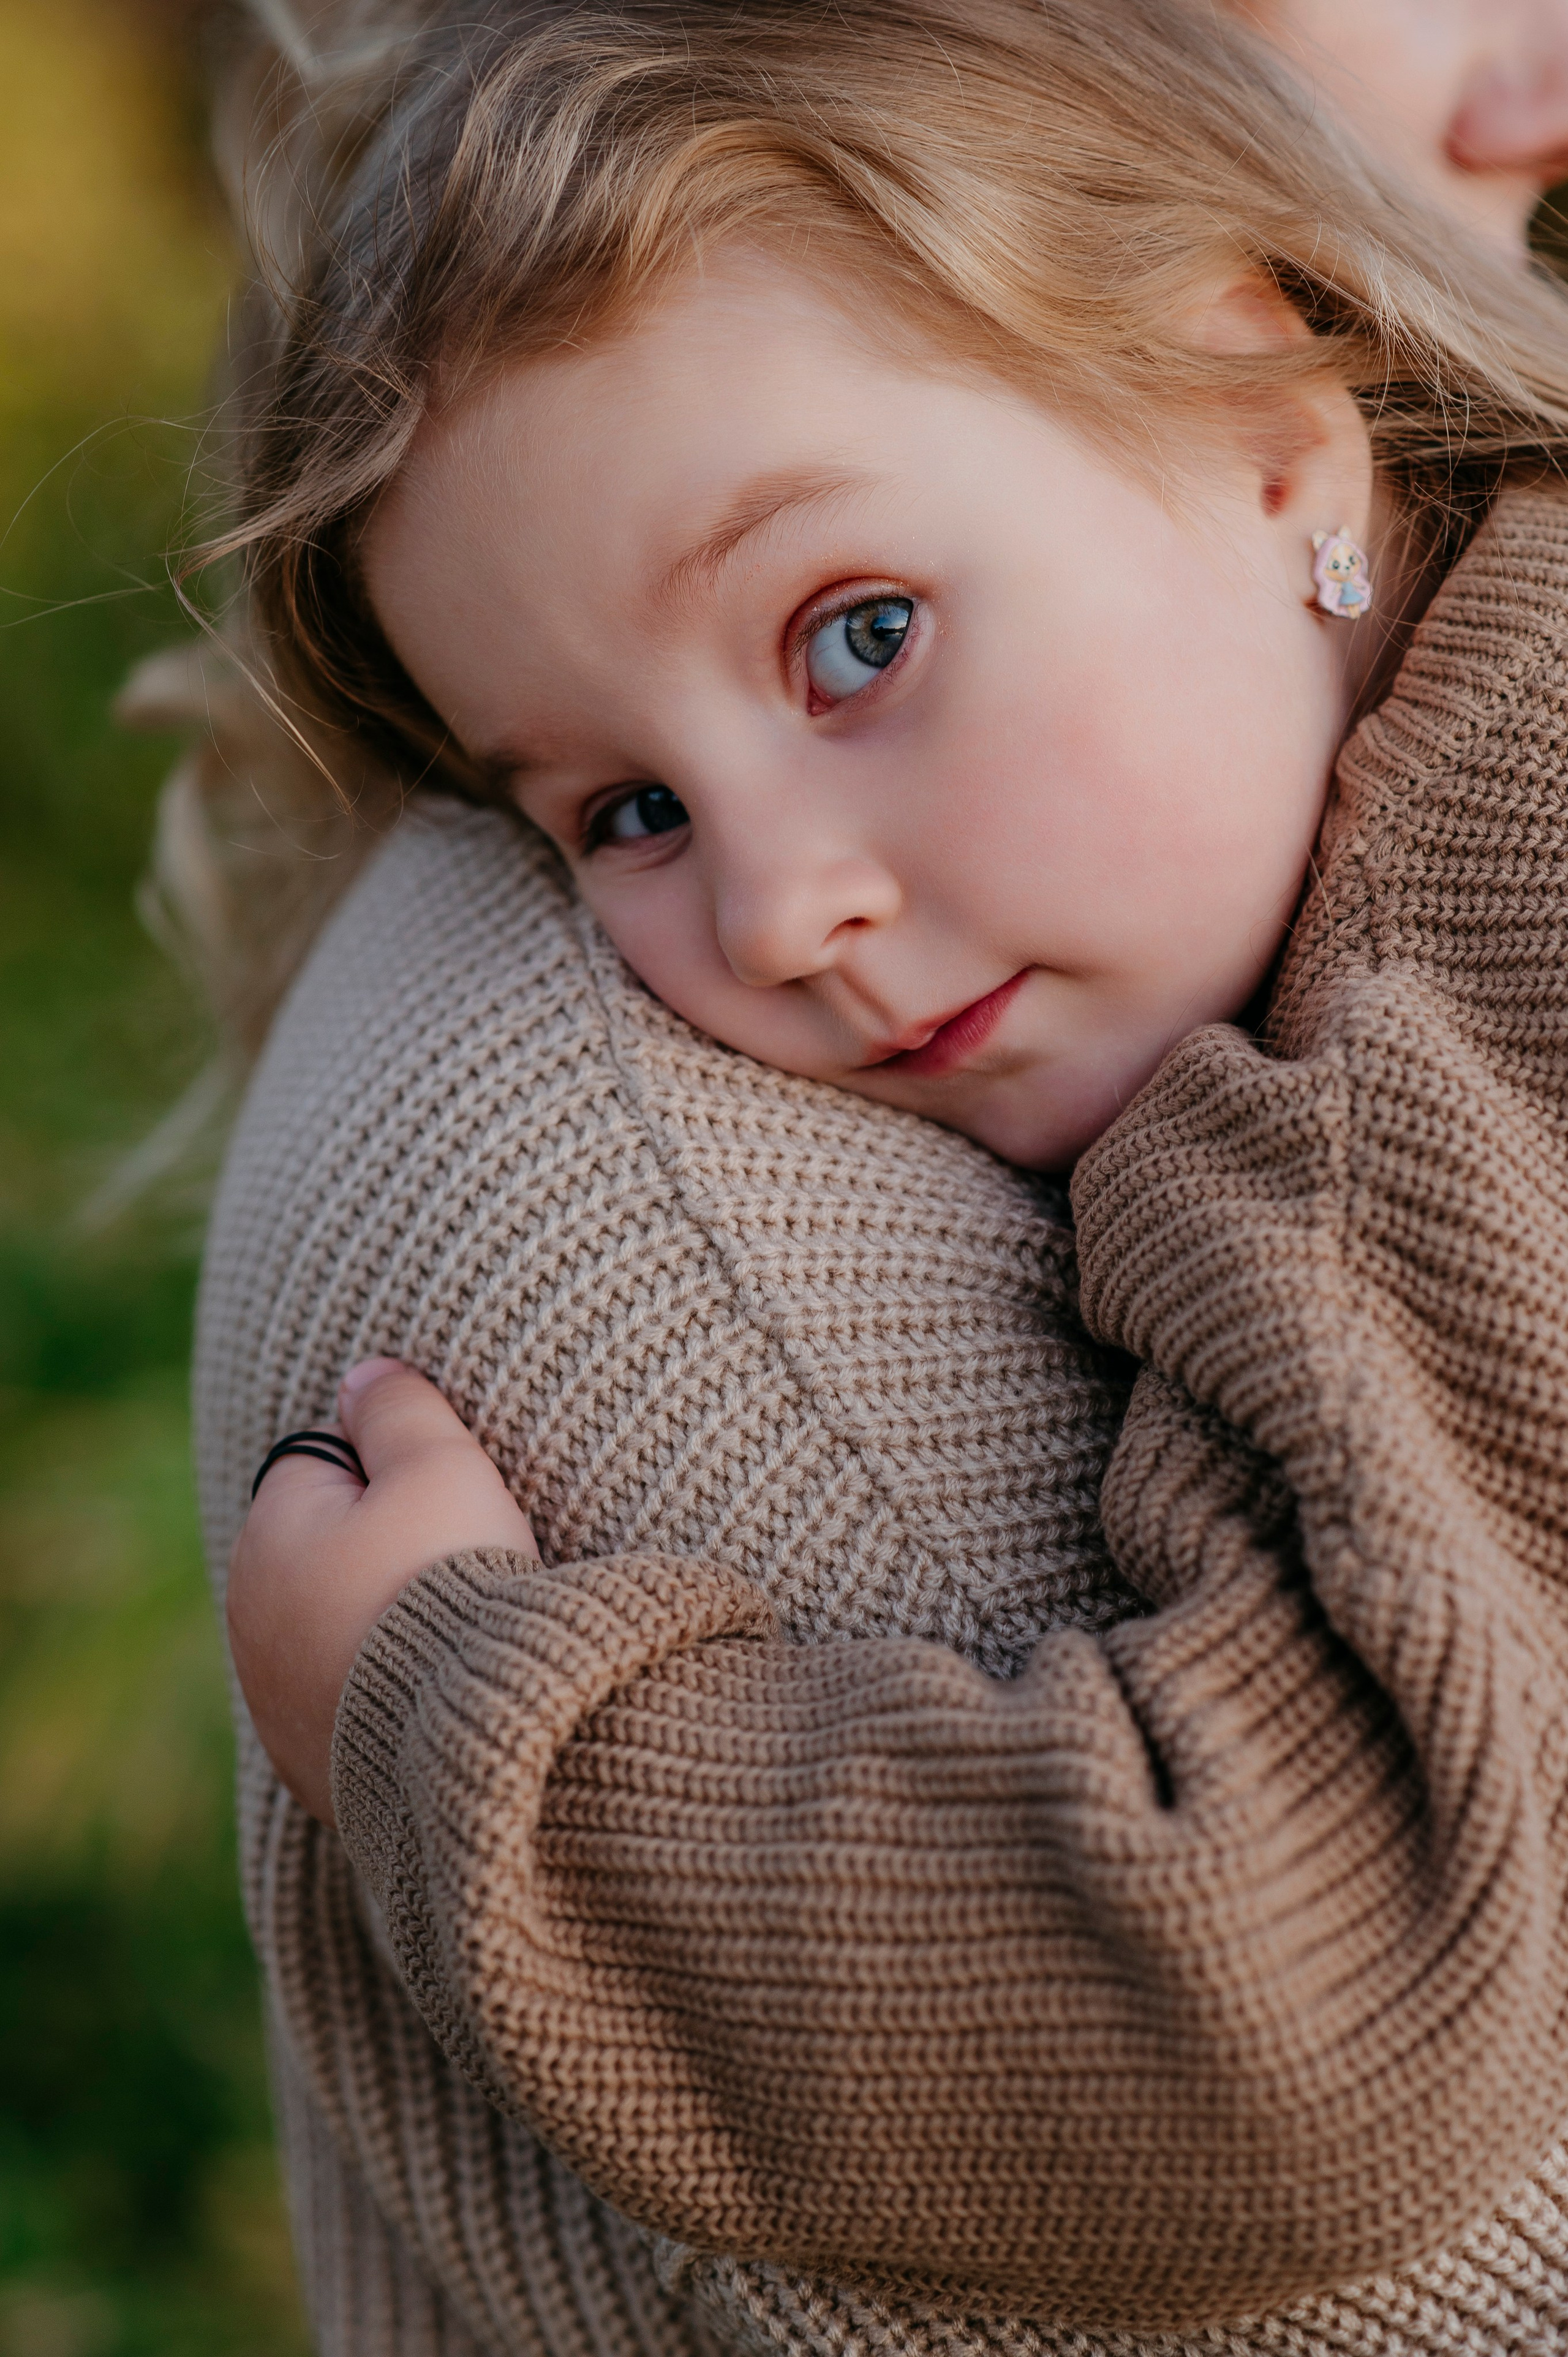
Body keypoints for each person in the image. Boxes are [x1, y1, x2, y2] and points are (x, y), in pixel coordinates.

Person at [175, 0, 1568, 2351]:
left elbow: (1301, 2014)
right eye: (626, 810)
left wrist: (453, 1738)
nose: (772, 912)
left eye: (858, 639)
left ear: (1266, 427)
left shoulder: (1429, 1048)